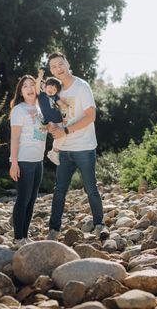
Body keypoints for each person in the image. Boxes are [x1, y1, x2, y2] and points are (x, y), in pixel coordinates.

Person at [46, 52, 109, 240]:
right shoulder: (54, 91)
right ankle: (53, 230)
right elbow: (56, 118)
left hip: (84, 147)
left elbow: (91, 116)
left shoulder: (82, 86)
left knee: (91, 188)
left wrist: (65, 130)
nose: (58, 68)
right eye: (54, 67)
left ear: (67, 62)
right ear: (51, 71)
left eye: (60, 64)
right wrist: (52, 128)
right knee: (59, 191)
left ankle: (100, 225)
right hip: (64, 149)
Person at [9, 75, 47, 248]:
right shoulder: (19, 110)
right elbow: (14, 138)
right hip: (23, 160)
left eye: (32, 85)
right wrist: (14, 162)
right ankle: (18, 238)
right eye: (25, 86)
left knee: (32, 200)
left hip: (38, 161)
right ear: (21, 92)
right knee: (23, 199)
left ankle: (25, 236)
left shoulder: (41, 109)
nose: (30, 88)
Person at [35, 69, 69, 165]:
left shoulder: (55, 97)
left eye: (54, 90)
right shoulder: (41, 95)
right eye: (50, 87)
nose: (52, 90)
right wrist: (40, 78)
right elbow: (37, 87)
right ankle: (54, 152)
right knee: (60, 136)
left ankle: (54, 152)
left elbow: (62, 105)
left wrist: (66, 106)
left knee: (62, 136)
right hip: (51, 122)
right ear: (45, 87)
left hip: (59, 120)